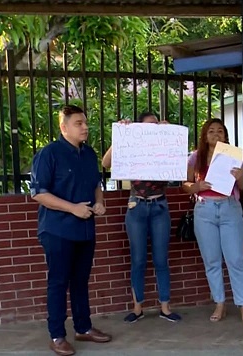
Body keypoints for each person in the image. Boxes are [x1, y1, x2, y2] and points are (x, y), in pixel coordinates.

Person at [30, 105, 112, 356]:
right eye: (78, 123)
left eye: (85, 122)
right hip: (57, 230)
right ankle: (57, 335)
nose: (85, 127)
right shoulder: (49, 154)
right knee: (58, 282)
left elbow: (96, 184)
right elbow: (39, 194)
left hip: (85, 229)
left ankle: (83, 327)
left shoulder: (88, 154)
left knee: (80, 281)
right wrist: (72, 208)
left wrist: (99, 202)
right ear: (64, 127)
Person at [101, 112, 182, 324]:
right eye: (147, 127)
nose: (151, 130)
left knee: (161, 259)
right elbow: (106, 163)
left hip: (159, 205)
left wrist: (169, 133)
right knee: (138, 259)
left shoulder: (164, 143)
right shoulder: (132, 144)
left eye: (155, 125)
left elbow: (180, 162)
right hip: (136, 205)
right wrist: (121, 136)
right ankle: (137, 308)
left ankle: (165, 306)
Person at [183, 118, 243, 323]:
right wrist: (196, 187)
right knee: (211, 260)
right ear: (204, 135)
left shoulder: (234, 156)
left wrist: (240, 176)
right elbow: (185, 184)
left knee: (236, 259)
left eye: (220, 131)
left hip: (230, 207)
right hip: (205, 210)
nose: (216, 134)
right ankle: (220, 303)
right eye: (211, 131)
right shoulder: (195, 157)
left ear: (225, 136)